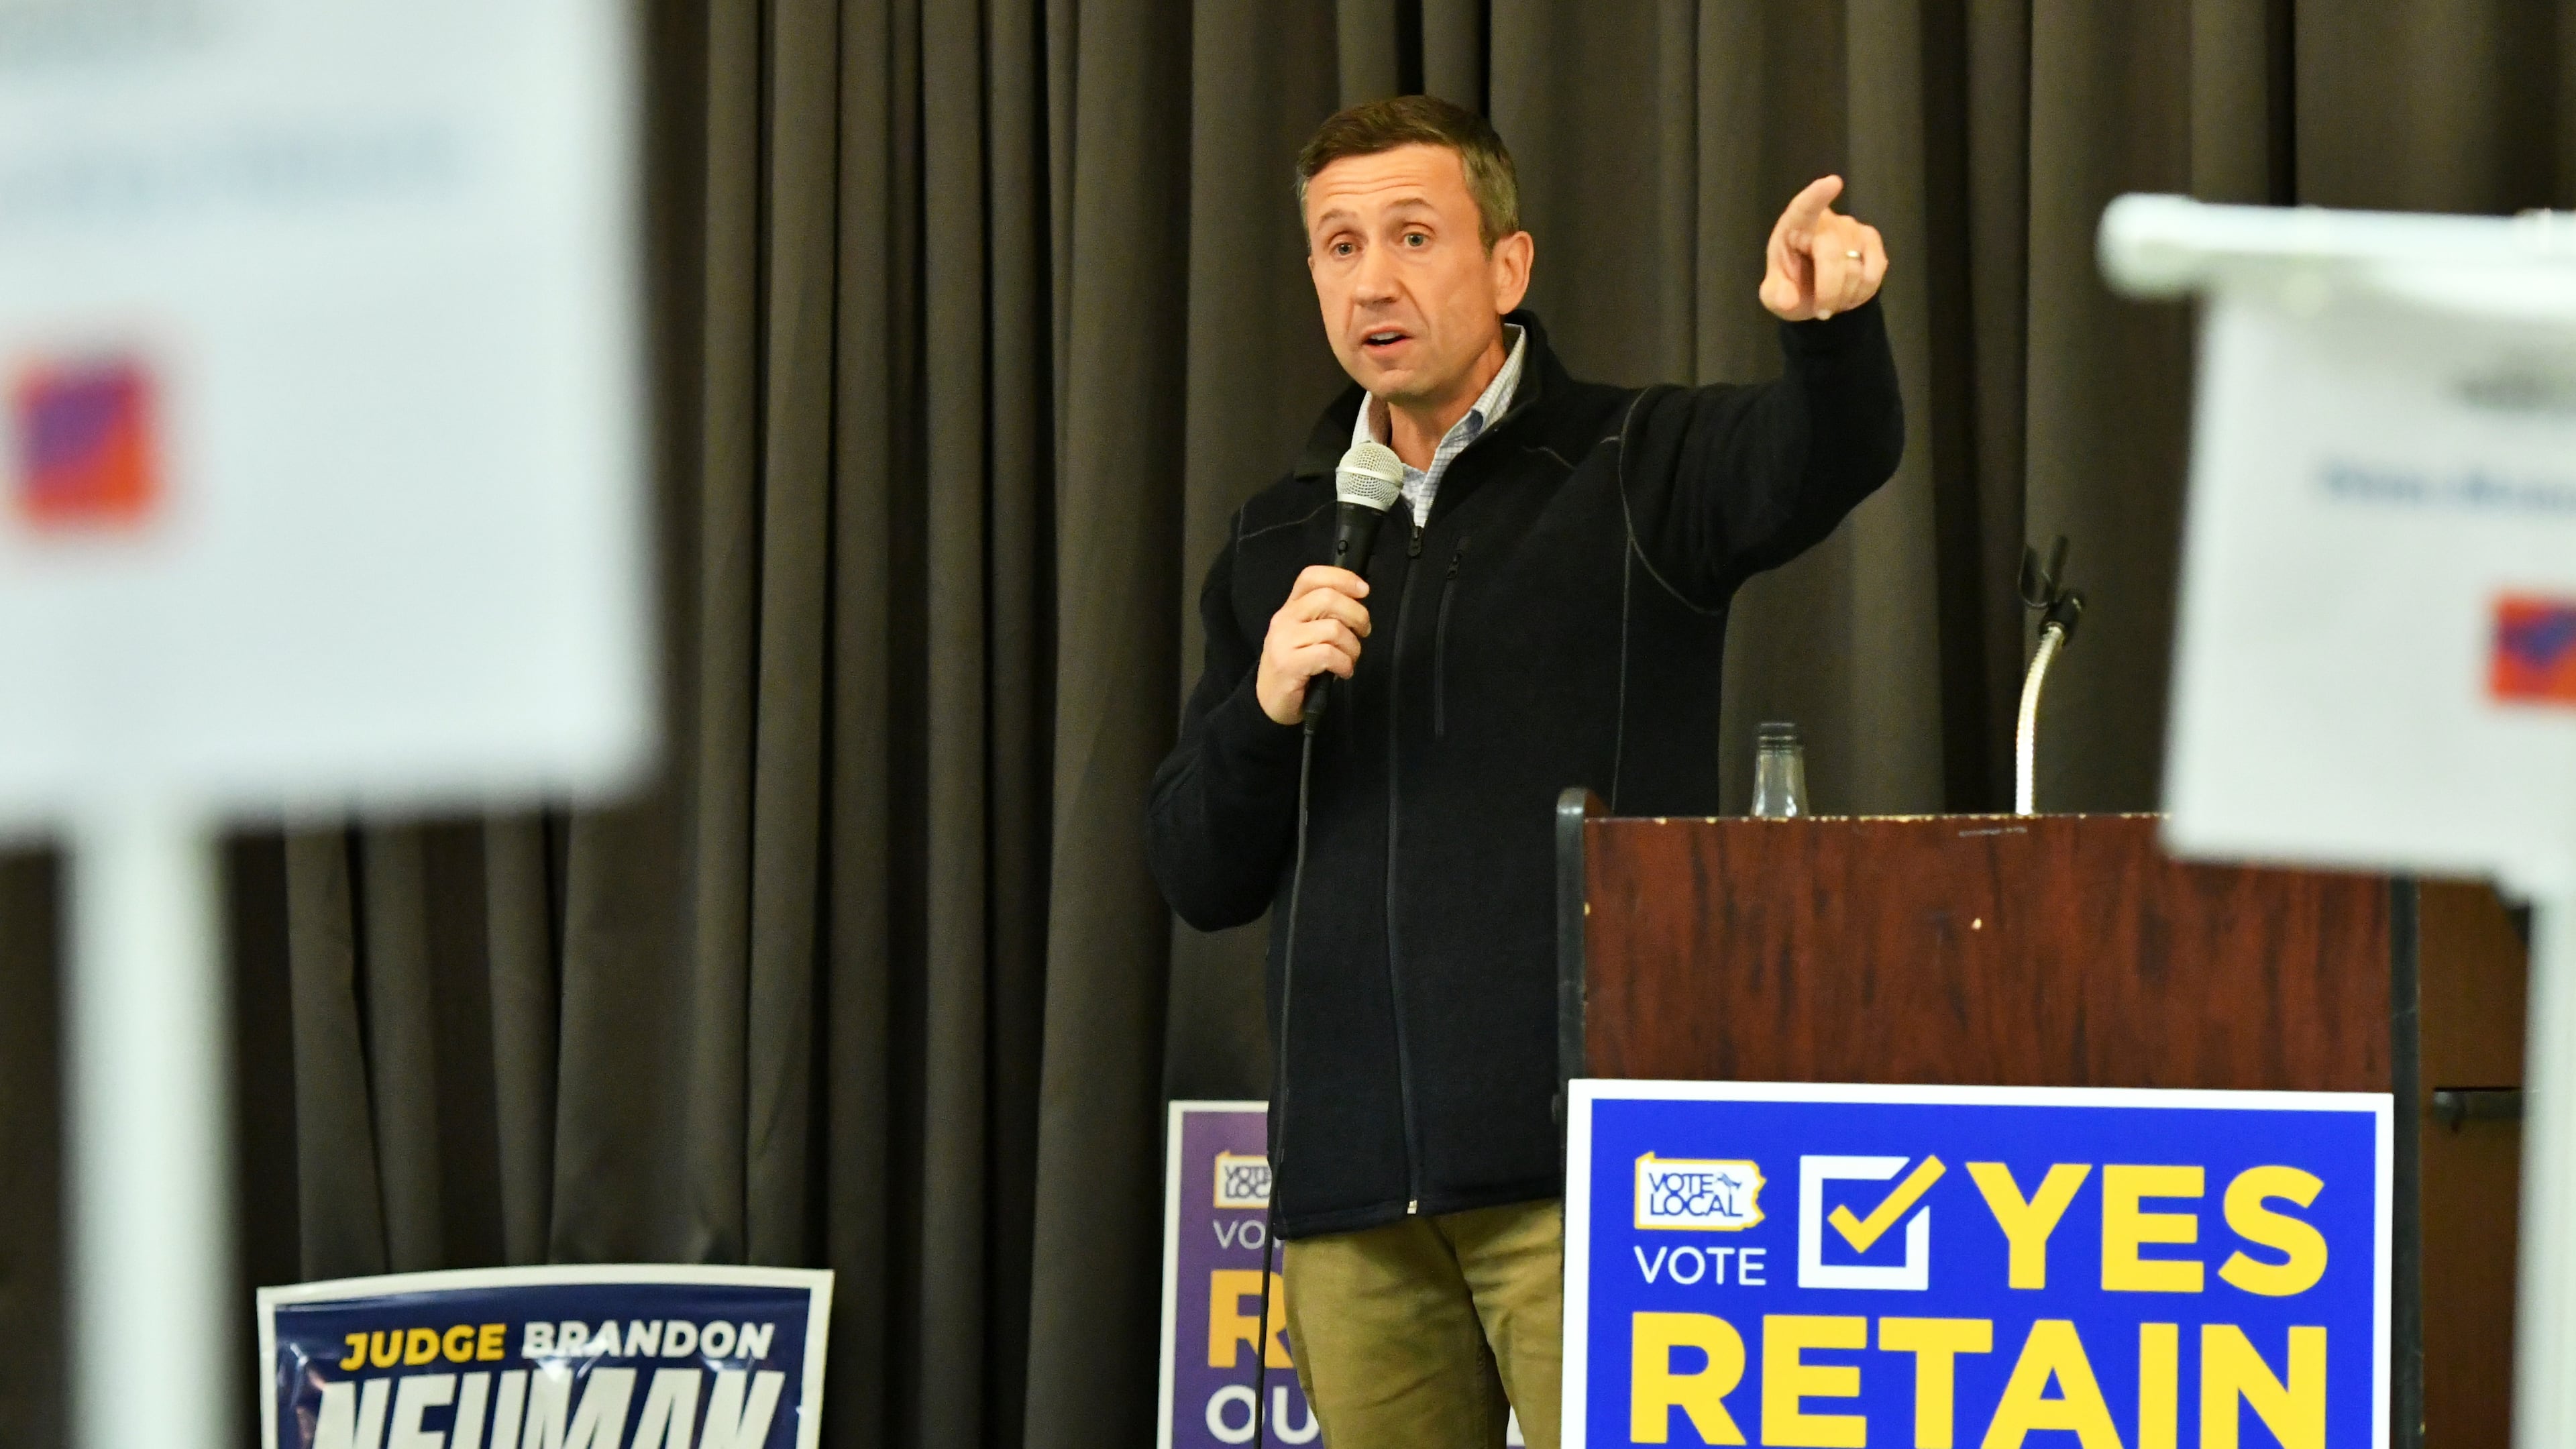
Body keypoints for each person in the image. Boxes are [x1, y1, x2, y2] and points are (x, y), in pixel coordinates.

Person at [1146, 95, 1902, 1449]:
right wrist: (1263, 711)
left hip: (1591, 1186)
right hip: (1351, 1207)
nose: (1371, 278)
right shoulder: (1279, 537)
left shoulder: (1636, 464)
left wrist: (1828, 331)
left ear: (1509, 266)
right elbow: (1199, 873)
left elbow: (1829, 457)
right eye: (1336, 245)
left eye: (1413, 235)